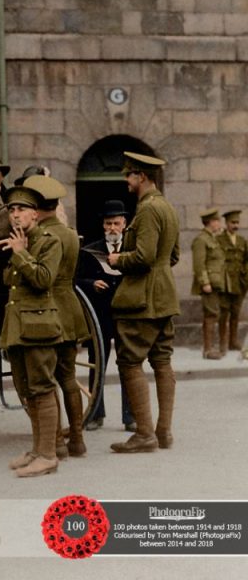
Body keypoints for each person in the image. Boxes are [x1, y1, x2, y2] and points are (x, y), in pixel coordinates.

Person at [108, 151, 180, 454]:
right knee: (162, 361)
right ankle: (163, 432)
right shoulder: (167, 207)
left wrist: (116, 258)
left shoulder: (148, 210)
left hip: (142, 300)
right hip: (165, 296)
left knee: (130, 361)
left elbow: (144, 256)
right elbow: (172, 256)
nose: (126, 181)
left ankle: (144, 434)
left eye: (129, 175)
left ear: (142, 177)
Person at [0, 184, 63, 477]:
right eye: (11, 210)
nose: (15, 215)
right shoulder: (18, 240)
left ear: (35, 214)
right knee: (26, 390)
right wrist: (18, 251)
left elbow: (43, 280)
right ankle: (37, 450)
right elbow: (9, 281)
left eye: (21, 209)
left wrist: (21, 254)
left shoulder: (49, 241)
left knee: (42, 387)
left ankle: (48, 455)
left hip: (39, 326)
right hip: (19, 325)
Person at [22, 174, 89, 458]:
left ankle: (56, 443)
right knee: (69, 378)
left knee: (46, 379)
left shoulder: (42, 236)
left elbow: (42, 278)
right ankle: (77, 439)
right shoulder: (70, 233)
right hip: (71, 308)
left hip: (48, 310)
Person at [75, 200, 135, 432]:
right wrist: (92, 283)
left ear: (124, 224)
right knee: (97, 364)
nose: (112, 228)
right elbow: (76, 280)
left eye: (116, 223)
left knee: (127, 364)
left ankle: (130, 417)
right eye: (108, 223)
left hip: (125, 314)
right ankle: (95, 414)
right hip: (99, 317)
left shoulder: (132, 248)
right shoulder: (91, 250)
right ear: (103, 225)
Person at [191, 208, 225, 360]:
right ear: (210, 222)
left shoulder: (212, 238)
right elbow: (199, 264)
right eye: (217, 221)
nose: (219, 224)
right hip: (209, 284)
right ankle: (208, 349)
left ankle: (210, 347)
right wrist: (204, 282)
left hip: (216, 283)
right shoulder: (201, 240)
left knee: (213, 314)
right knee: (211, 315)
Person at [218, 209, 248, 354]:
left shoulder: (242, 241)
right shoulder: (219, 240)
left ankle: (233, 342)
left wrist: (246, 278)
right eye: (232, 222)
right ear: (226, 223)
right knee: (223, 314)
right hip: (225, 283)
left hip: (239, 284)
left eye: (237, 222)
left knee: (235, 313)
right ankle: (223, 343)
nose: (235, 225)